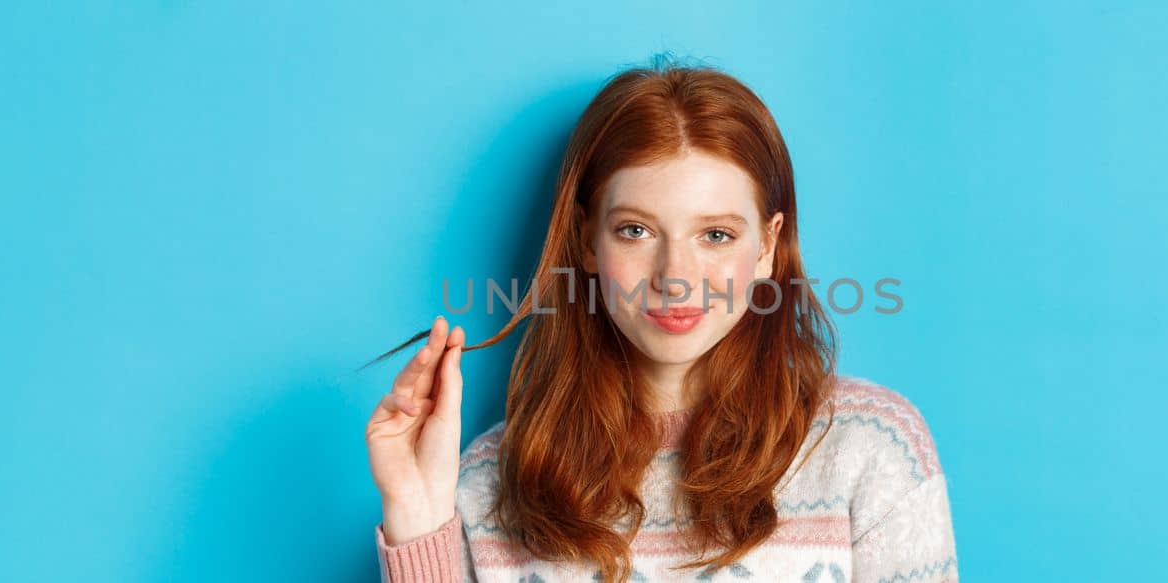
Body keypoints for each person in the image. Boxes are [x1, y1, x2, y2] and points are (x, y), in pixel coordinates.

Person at [363, 57, 958, 582]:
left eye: (716, 234)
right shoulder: (491, 479)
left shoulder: (872, 447)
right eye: (636, 230)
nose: (676, 276)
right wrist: (419, 521)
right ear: (587, 241)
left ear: (766, 248)